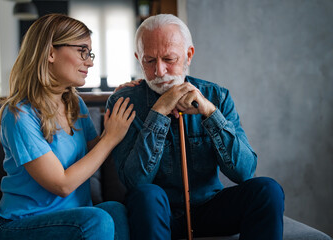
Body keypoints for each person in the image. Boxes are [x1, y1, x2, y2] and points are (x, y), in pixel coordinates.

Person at [106, 14, 285, 240]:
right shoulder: (125, 101)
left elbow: (245, 172)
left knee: (268, 190)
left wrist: (210, 113)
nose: (159, 71)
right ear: (138, 58)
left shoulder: (217, 96)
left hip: (210, 207)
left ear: (188, 55)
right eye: (149, 61)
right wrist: (158, 113)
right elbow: (135, 182)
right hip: (156, 212)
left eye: (169, 59)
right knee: (147, 195)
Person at [0, 14, 135, 240]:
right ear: (50, 52)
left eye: (90, 53)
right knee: (97, 219)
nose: (90, 62)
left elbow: (98, 152)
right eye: (82, 51)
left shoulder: (75, 104)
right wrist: (110, 138)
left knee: (115, 211)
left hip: (71, 219)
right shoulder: (19, 114)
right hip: (20, 226)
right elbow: (62, 184)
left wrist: (122, 100)